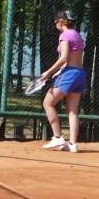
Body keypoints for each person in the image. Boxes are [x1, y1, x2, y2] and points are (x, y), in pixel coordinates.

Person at [41, 10, 87, 153]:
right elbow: (73, 59)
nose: (55, 24)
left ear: (61, 22)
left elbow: (64, 57)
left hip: (70, 74)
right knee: (73, 111)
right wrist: (59, 72)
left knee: (48, 103)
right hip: (80, 74)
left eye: (56, 22)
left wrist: (49, 72)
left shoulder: (64, 35)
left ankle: (57, 137)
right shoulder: (78, 35)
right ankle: (72, 144)